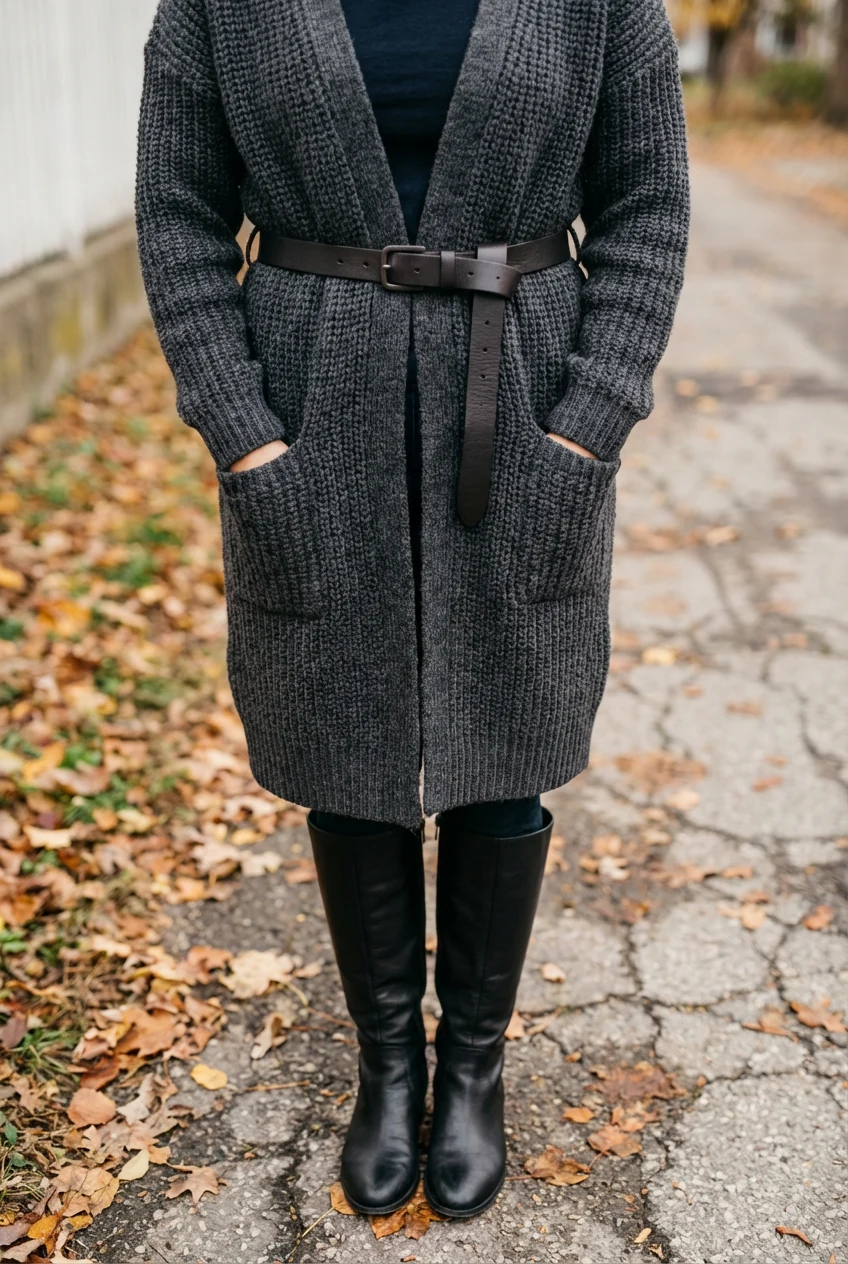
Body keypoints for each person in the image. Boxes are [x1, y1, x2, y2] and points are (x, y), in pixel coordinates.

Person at [136, 0, 689, 1222]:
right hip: (306, 414)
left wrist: (589, 417)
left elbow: (645, 208)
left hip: (525, 400)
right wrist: (242, 433)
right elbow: (179, 219)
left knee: (507, 742)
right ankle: (389, 1066)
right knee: (344, 741)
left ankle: (472, 1070)